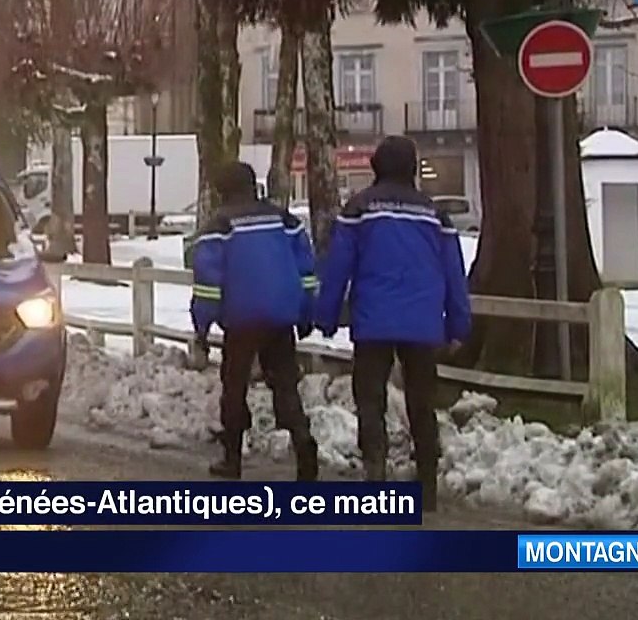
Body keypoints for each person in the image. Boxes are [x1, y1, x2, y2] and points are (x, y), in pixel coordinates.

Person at [314, 135, 471, 510]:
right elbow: (454, 274)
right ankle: (427, 484)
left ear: (376, 167)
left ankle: (376, 474)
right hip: (423, 324)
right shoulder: (435, 215)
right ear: (413, 168)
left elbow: (338, 268)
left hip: (373, 321)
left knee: (370, 399)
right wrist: (459, 326)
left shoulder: (359, 209)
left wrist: (327, 315)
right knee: (421, 402)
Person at [190, 162, 320, 481]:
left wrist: (202, 326)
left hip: (242, 319)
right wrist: (305, 312)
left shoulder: (219, 225)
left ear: (222, 191)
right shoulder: (284, 219)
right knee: (285, 383)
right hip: (281, 317)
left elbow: (208, 281)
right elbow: (306, 270)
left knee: (234, 386)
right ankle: (304, 445)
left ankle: (232, 459)